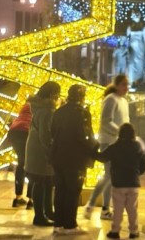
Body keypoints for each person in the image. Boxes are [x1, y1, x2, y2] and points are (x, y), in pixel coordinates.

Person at [50, 85, 98, 235]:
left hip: (58, 157)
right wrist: (95, 147)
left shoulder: (59, 112)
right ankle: (70, 225)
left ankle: (58, 224)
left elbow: (52, 132)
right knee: (73, 191)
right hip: (75, 158)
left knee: (60, 190)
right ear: (82, 96)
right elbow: (85, 136)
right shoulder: (82, 113)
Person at [84, 74, 130, 220]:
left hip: (118, 142)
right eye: (123, 84)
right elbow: (106, 121)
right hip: (109, 142)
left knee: (112, 176)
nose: (125, 87)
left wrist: (128, 135)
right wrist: (121, 132)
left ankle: (105, 208)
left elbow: (125, 121)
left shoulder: (123, 101)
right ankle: (93, 205)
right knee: (109, 175)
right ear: (116, 85)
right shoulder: (110, 99)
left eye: (126, 84)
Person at [96, 123, 145, 239]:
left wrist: (94, 148)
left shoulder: (115, 146)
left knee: (117, 209)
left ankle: (115, 231)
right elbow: (143, 165)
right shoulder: (137, 146)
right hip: (133, 183)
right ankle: (133, 231)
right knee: (132, 209)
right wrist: (137, 174)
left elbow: (102, 157)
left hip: (119, 184)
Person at [25, 81, 61, 227]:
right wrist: (51, 152)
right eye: (58, 93)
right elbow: (45, 135)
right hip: (40, 152)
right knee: (40, 182)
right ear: (52, 94)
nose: (59, 96)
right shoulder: (46, 111)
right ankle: (39, 216)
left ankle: (48, 212)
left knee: (47, 182)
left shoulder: (41, 108)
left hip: (37, 149)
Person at [8, 101, 34, 209]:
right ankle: (31, 200)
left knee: (21, 164)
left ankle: (18, 197)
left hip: (14, 133)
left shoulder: (24, 107)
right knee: (32, 166)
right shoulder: (38, 107)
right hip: (27, 132)